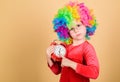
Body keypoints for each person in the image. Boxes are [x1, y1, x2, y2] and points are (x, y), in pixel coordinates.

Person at [46, 1, 99, 82]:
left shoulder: (87, 48)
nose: (76, 30)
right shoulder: (65, 47)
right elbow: (57, 71)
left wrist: (71, 64)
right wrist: (49, 56)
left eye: (78, 25)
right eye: (71, 28)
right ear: (66, 31)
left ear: (87, 24)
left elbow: (94, 73)